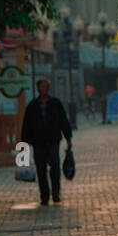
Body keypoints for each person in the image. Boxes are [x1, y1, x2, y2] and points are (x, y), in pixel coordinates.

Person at [20, 78, 73, 206]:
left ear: (48, 88)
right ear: (38, 89)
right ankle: (44, 196)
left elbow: (63, 121)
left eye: (45, 87)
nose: (43, 89)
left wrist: (68, 138)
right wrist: (24, 143)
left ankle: (55, 193)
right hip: (38, 141)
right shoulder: (32, 106)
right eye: (41, 87)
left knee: (54, 166)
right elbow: (26, 125)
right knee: (41, 169)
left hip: (53, 139)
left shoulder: (55, 103)